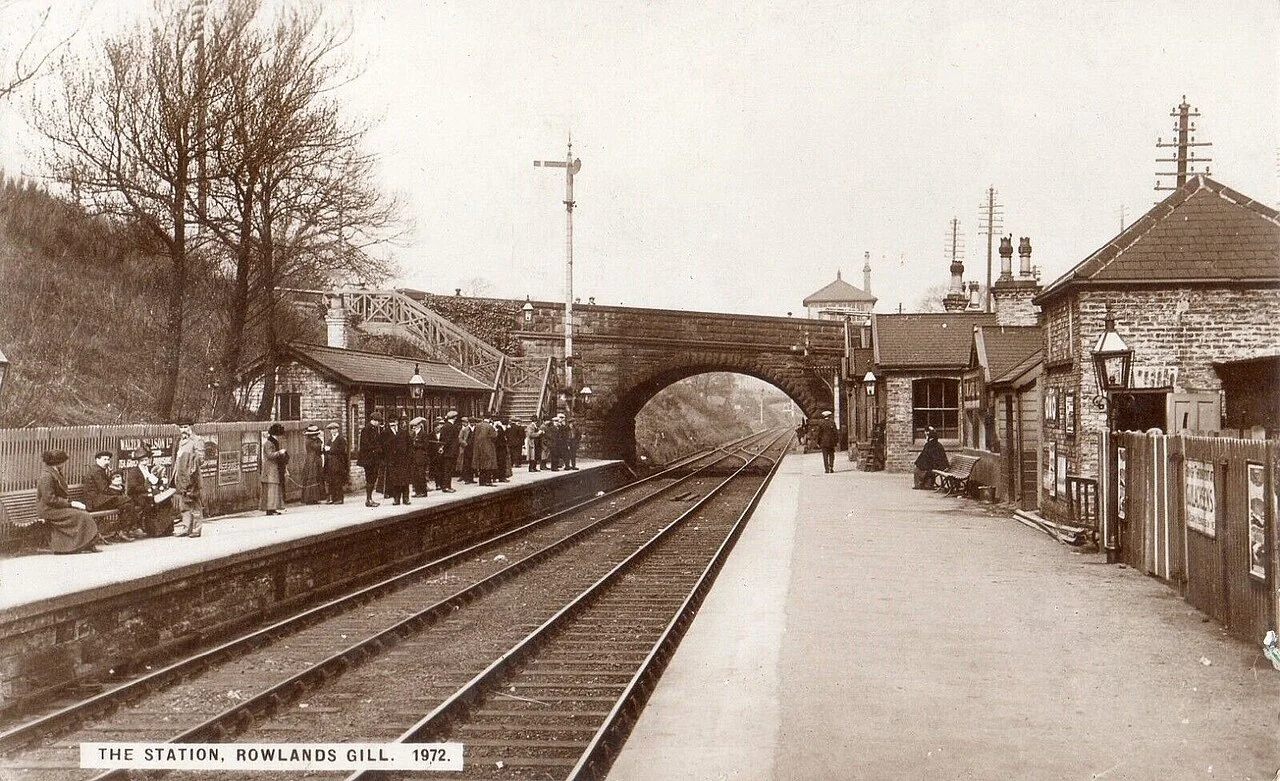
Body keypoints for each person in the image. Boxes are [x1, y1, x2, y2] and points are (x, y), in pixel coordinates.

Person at [36, 449, 101, 554]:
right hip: (48, 510)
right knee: (81, 516)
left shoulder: (54, 472)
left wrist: (69, 504)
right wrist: (70, 504)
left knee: (82, 514)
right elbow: (49, 499)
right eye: (63, 462)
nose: (64, 464)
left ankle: (84, 544)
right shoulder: (47, 476)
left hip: (55, 507)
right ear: (57, 462)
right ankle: (75, 546)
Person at [85, 450, 143, 541]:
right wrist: (117, 490)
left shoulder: (100, 470)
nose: (107, 462)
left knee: (127, 504)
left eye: (108, 460)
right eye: (105, 459)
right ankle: (125, 530)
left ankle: (123, 530)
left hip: (101, 499)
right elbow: (104, 489)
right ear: (97, 460)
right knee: (127, 500)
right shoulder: (96, 471)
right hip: (96, 502)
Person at [124, 447, 174, 536]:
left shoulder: (149, 470)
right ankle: (153, 529)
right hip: (138, 496)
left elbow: (155, 481)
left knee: (166, 501)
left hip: (149, 494)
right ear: (138, 461)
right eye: (142, 461)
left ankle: (165, 528)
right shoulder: (134, 472)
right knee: (151, 502)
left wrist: (161, 482)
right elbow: (132, 488)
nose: (145, 463)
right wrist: (146, 488)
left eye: (146, 460)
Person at [172, 419, 207, 537]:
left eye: (186, 427)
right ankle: (186, 527)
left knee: (194, 503)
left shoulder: (197, 440)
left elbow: (201, 459)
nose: (183, 430)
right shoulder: (180, 441)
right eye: (181, 427)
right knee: (184, 504)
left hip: (192, 478)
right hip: (181, 477)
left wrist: (192, 465)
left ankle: (196, 529)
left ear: (191, 427)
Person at [356, 412, 387, 507]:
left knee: (372, 479)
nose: (379, 423)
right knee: (370, 479)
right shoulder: (367, 430)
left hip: (372, 459)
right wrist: (377, 448)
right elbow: (366, 445)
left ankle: (369, 499)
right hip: (369, 459)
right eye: (378, 421)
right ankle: (368, 499)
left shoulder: (373, 429)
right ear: (374, 420)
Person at [260, 422, 288, 516]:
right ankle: (270, 509)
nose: (278, 437)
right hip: (270, 470)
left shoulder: (273, 442)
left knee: (274, 489)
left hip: (274, 469)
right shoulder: (268, 443)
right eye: (277, 435)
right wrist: (280, 452)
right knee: (271, 489)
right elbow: (270, 455)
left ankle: (273, 508)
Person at [384, 416, 412, 505]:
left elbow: (410, 446)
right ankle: (396, 499)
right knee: (396, 481)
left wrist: (408, 457)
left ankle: (406, 498)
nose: (394, 425)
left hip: (404, 460)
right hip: (393, 461)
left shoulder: (404, 433)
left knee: (405, 480)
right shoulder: (386, 433)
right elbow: (385, 446)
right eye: (392, 424)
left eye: (395, 423)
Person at [322, 422, 350, 504]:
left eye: (334, 429)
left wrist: (330, 449)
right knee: (332, 481)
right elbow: (325, 450)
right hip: (330, 463)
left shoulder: (341, 439)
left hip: (338, 462)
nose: (332, 431)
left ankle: (340, 498)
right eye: (331, 430)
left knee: (338, 480)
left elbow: (341, 450)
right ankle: (333, 498)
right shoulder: (330, 440)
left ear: (337, 429)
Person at [436, 410, 460, 492]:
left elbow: (442, 439)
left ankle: (445, 486)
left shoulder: (445, 427)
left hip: (447, 451)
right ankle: (447, 486)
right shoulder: (452, 427)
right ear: (454, 418)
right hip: (450, 452)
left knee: (446, 469)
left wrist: (442, 447)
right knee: (448, 470)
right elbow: (448, 440)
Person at [300, 425, 325, 504]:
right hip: (311, 460)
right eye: (314, 434)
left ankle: (315, 498)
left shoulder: (316, 440)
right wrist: (320, 442)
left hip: (316, 459)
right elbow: (317, 447)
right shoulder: (309, 441)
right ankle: (309, 498)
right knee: (311, 478)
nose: (315, 436)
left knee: (317, 477)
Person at [472, 414, 498, 486]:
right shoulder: (490, 426)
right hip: (488, 447)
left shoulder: (477, 426)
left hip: (478, 448)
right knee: (489, 464)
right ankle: (488, 481)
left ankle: (482, 481)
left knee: (481, 465)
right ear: (489, 418)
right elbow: (494, 436)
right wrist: (496, 430)